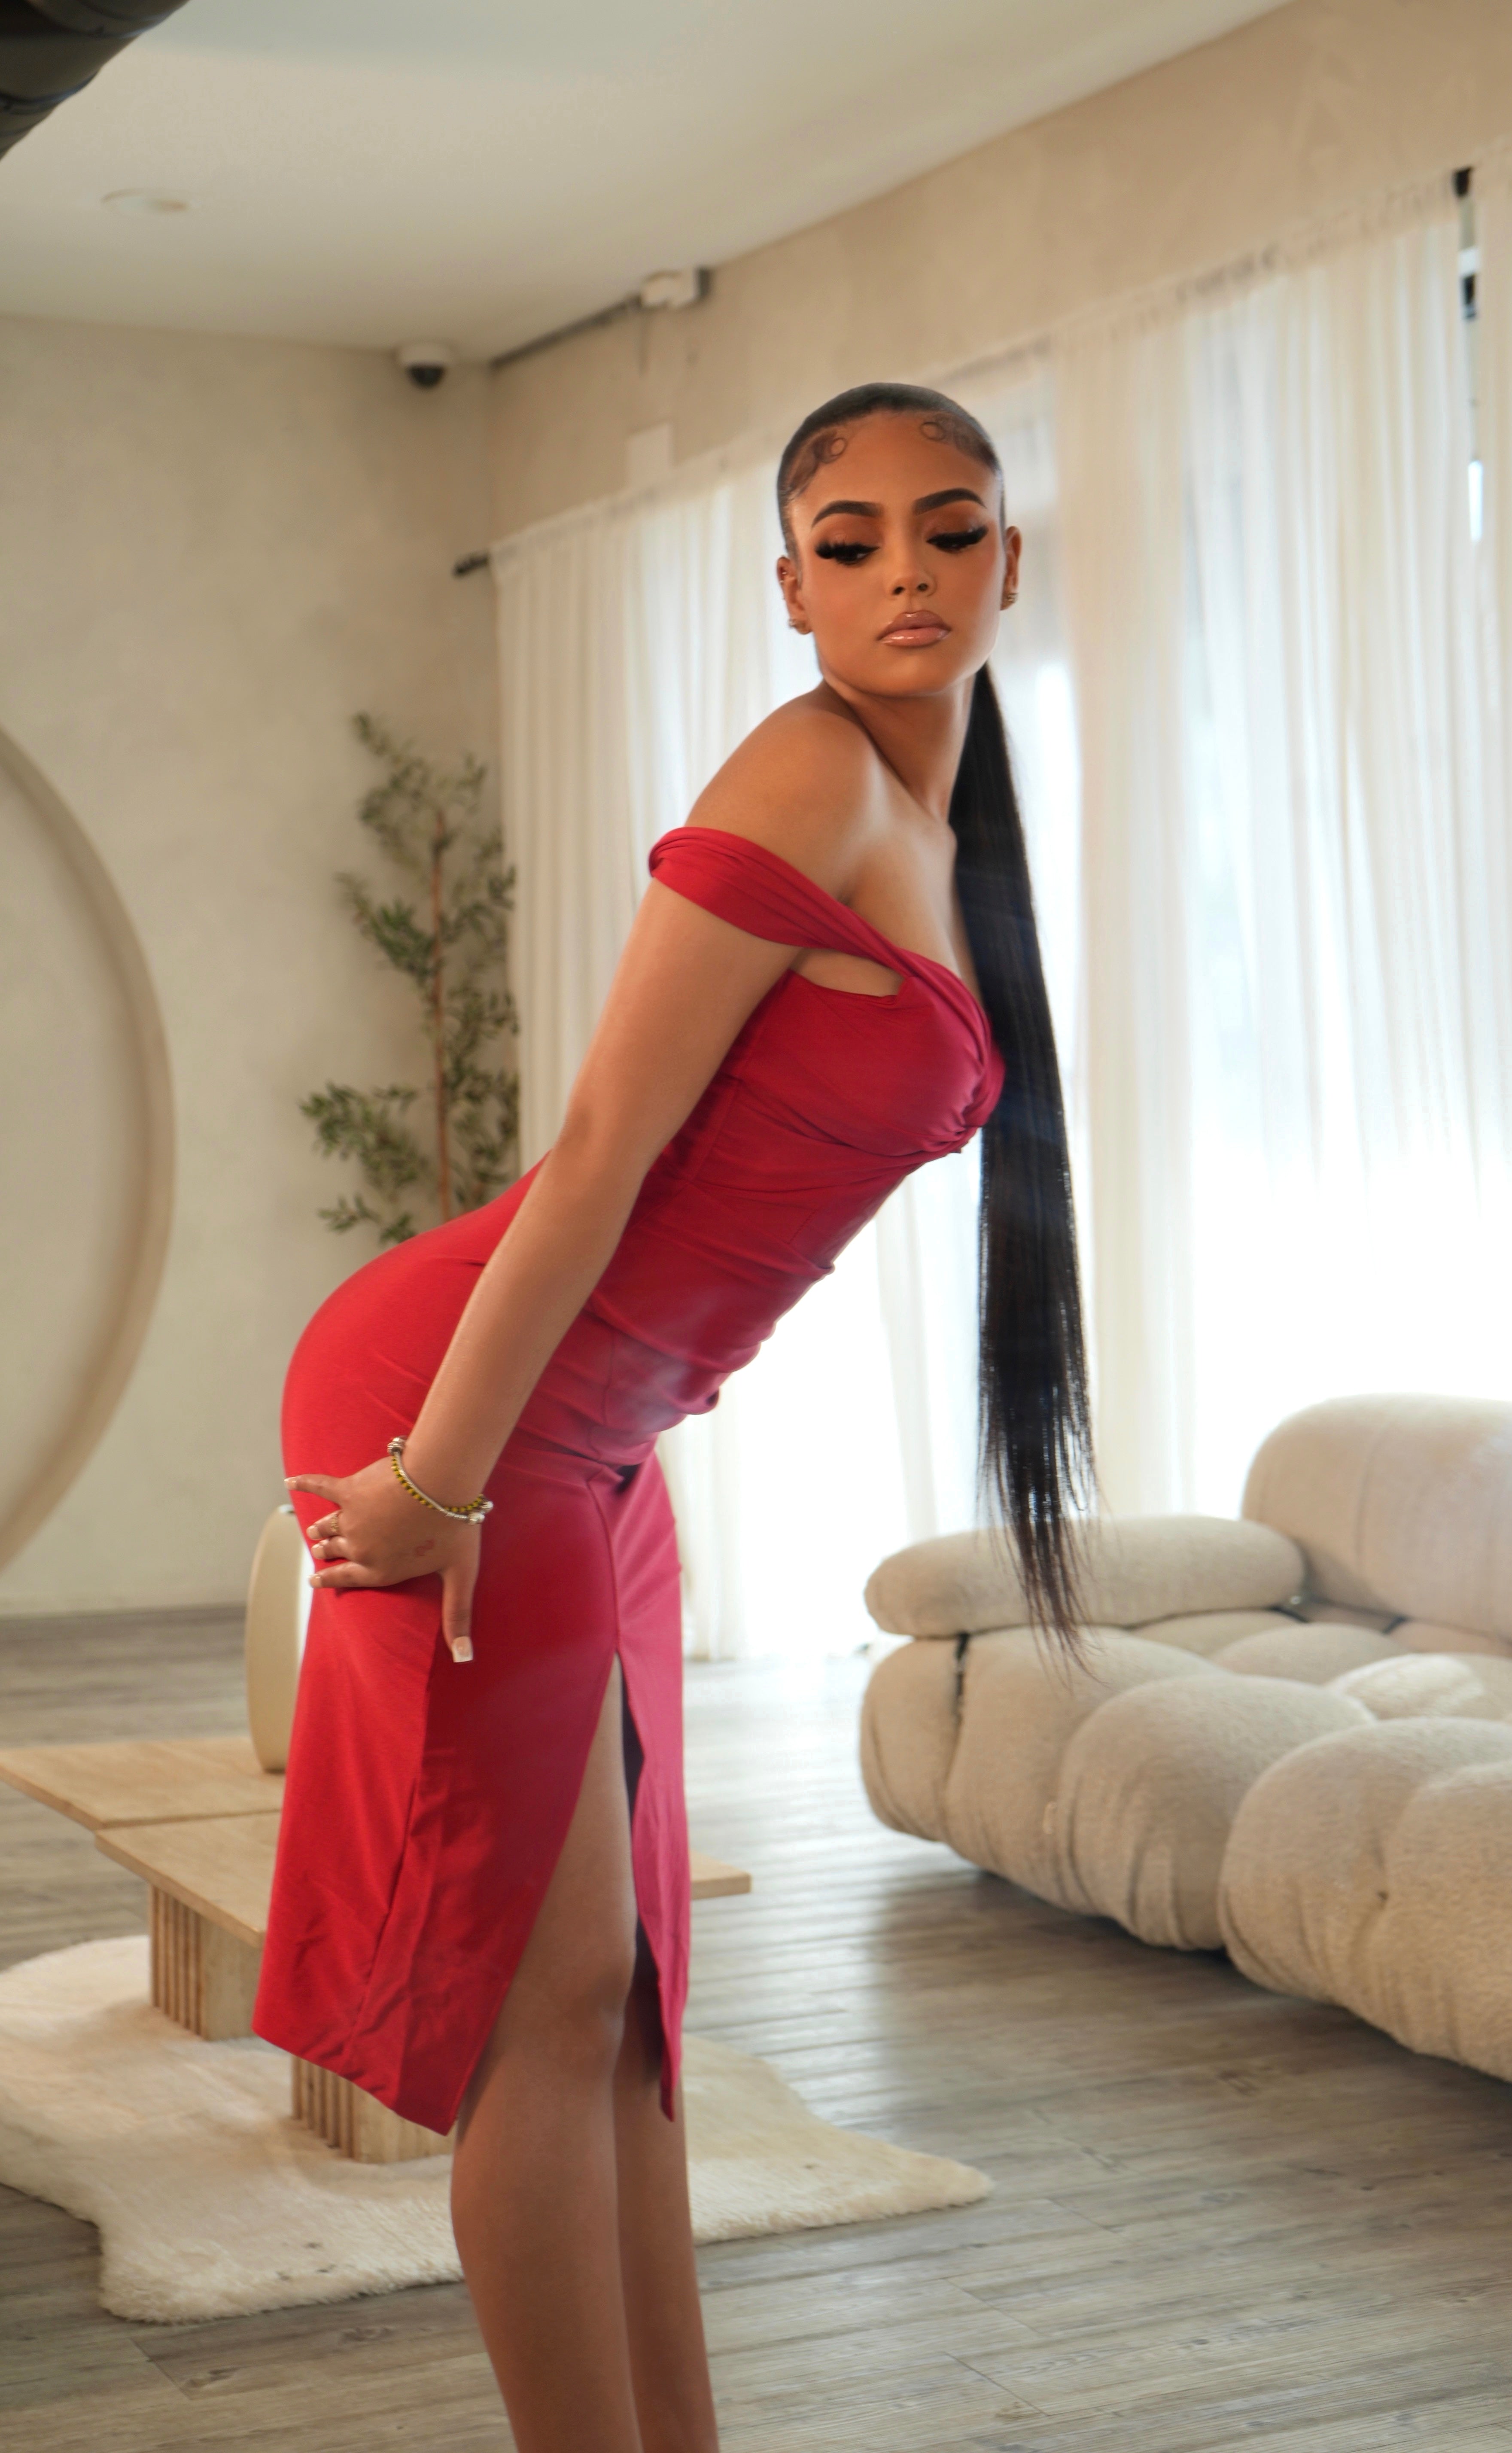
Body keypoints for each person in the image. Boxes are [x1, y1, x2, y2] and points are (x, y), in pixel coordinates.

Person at [255, 380, 1095, 2453]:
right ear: (791, 587)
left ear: (1010, 559)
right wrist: (440, 1485)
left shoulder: (939, 829)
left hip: (604, 1436)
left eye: (951, 528)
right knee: (541, 2015)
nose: (906, 570)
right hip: (468, 1405)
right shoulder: (809, 776)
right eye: (850, 540)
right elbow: (596, 1160)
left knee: (629, 2006)